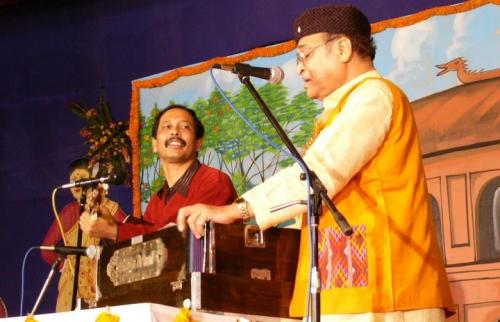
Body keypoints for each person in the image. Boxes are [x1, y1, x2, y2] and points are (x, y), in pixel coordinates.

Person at [177, 4, 454, 321]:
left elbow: (319, 174)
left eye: (305, 55)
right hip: (349, 281)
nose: (299, 68)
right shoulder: (343, 108)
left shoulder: (373, 95)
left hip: (386, 286)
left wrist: (236, 210)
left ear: (343, 48)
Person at [80, 104, 237, 242]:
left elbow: (182, 243)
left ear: (198, 143)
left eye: (185, 127)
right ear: (154, 145)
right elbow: (149, 241)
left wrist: (116, 231)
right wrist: (109, 226)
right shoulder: (156, 200)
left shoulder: (214, 181)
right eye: (167, 127)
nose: (175, 131)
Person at [41, 158, 127, 312]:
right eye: (73, 179)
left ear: (93, 180)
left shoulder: (107, 206)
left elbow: (129, 233)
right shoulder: (69, 212)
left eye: (81, 178)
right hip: (71, 286)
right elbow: (46, 249)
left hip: (100, 280)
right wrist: (65, 265)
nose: (77, 183)